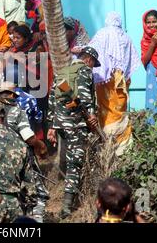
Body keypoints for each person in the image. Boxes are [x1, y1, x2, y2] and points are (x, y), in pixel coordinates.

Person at [47, 46, 100, 218]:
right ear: (88, 60)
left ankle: (69, 200)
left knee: (71, 158)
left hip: (61, 123)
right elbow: (84, 96)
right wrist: (91, 115)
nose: (92, 67)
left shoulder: (63, 71)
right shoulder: (85, 70)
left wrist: (51, 127)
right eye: (93, 64)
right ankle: (67, 207)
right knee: (74, 164)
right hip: (76, 123)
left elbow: (51, 99)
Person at [0, 81, 48, 223]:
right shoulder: (17, 110)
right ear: (12, 95)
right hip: (19, 156)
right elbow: (28, 137)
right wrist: (41, 145)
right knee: (38, 193)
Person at [89, 12, 140, 155]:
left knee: (105, 110)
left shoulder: (102, 34)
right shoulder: (125, 37)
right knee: (119, 111)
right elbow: (131, 61)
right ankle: (123, 146)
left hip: (104, 80)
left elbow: (90, 52)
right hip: (121, 80)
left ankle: (107, 144)